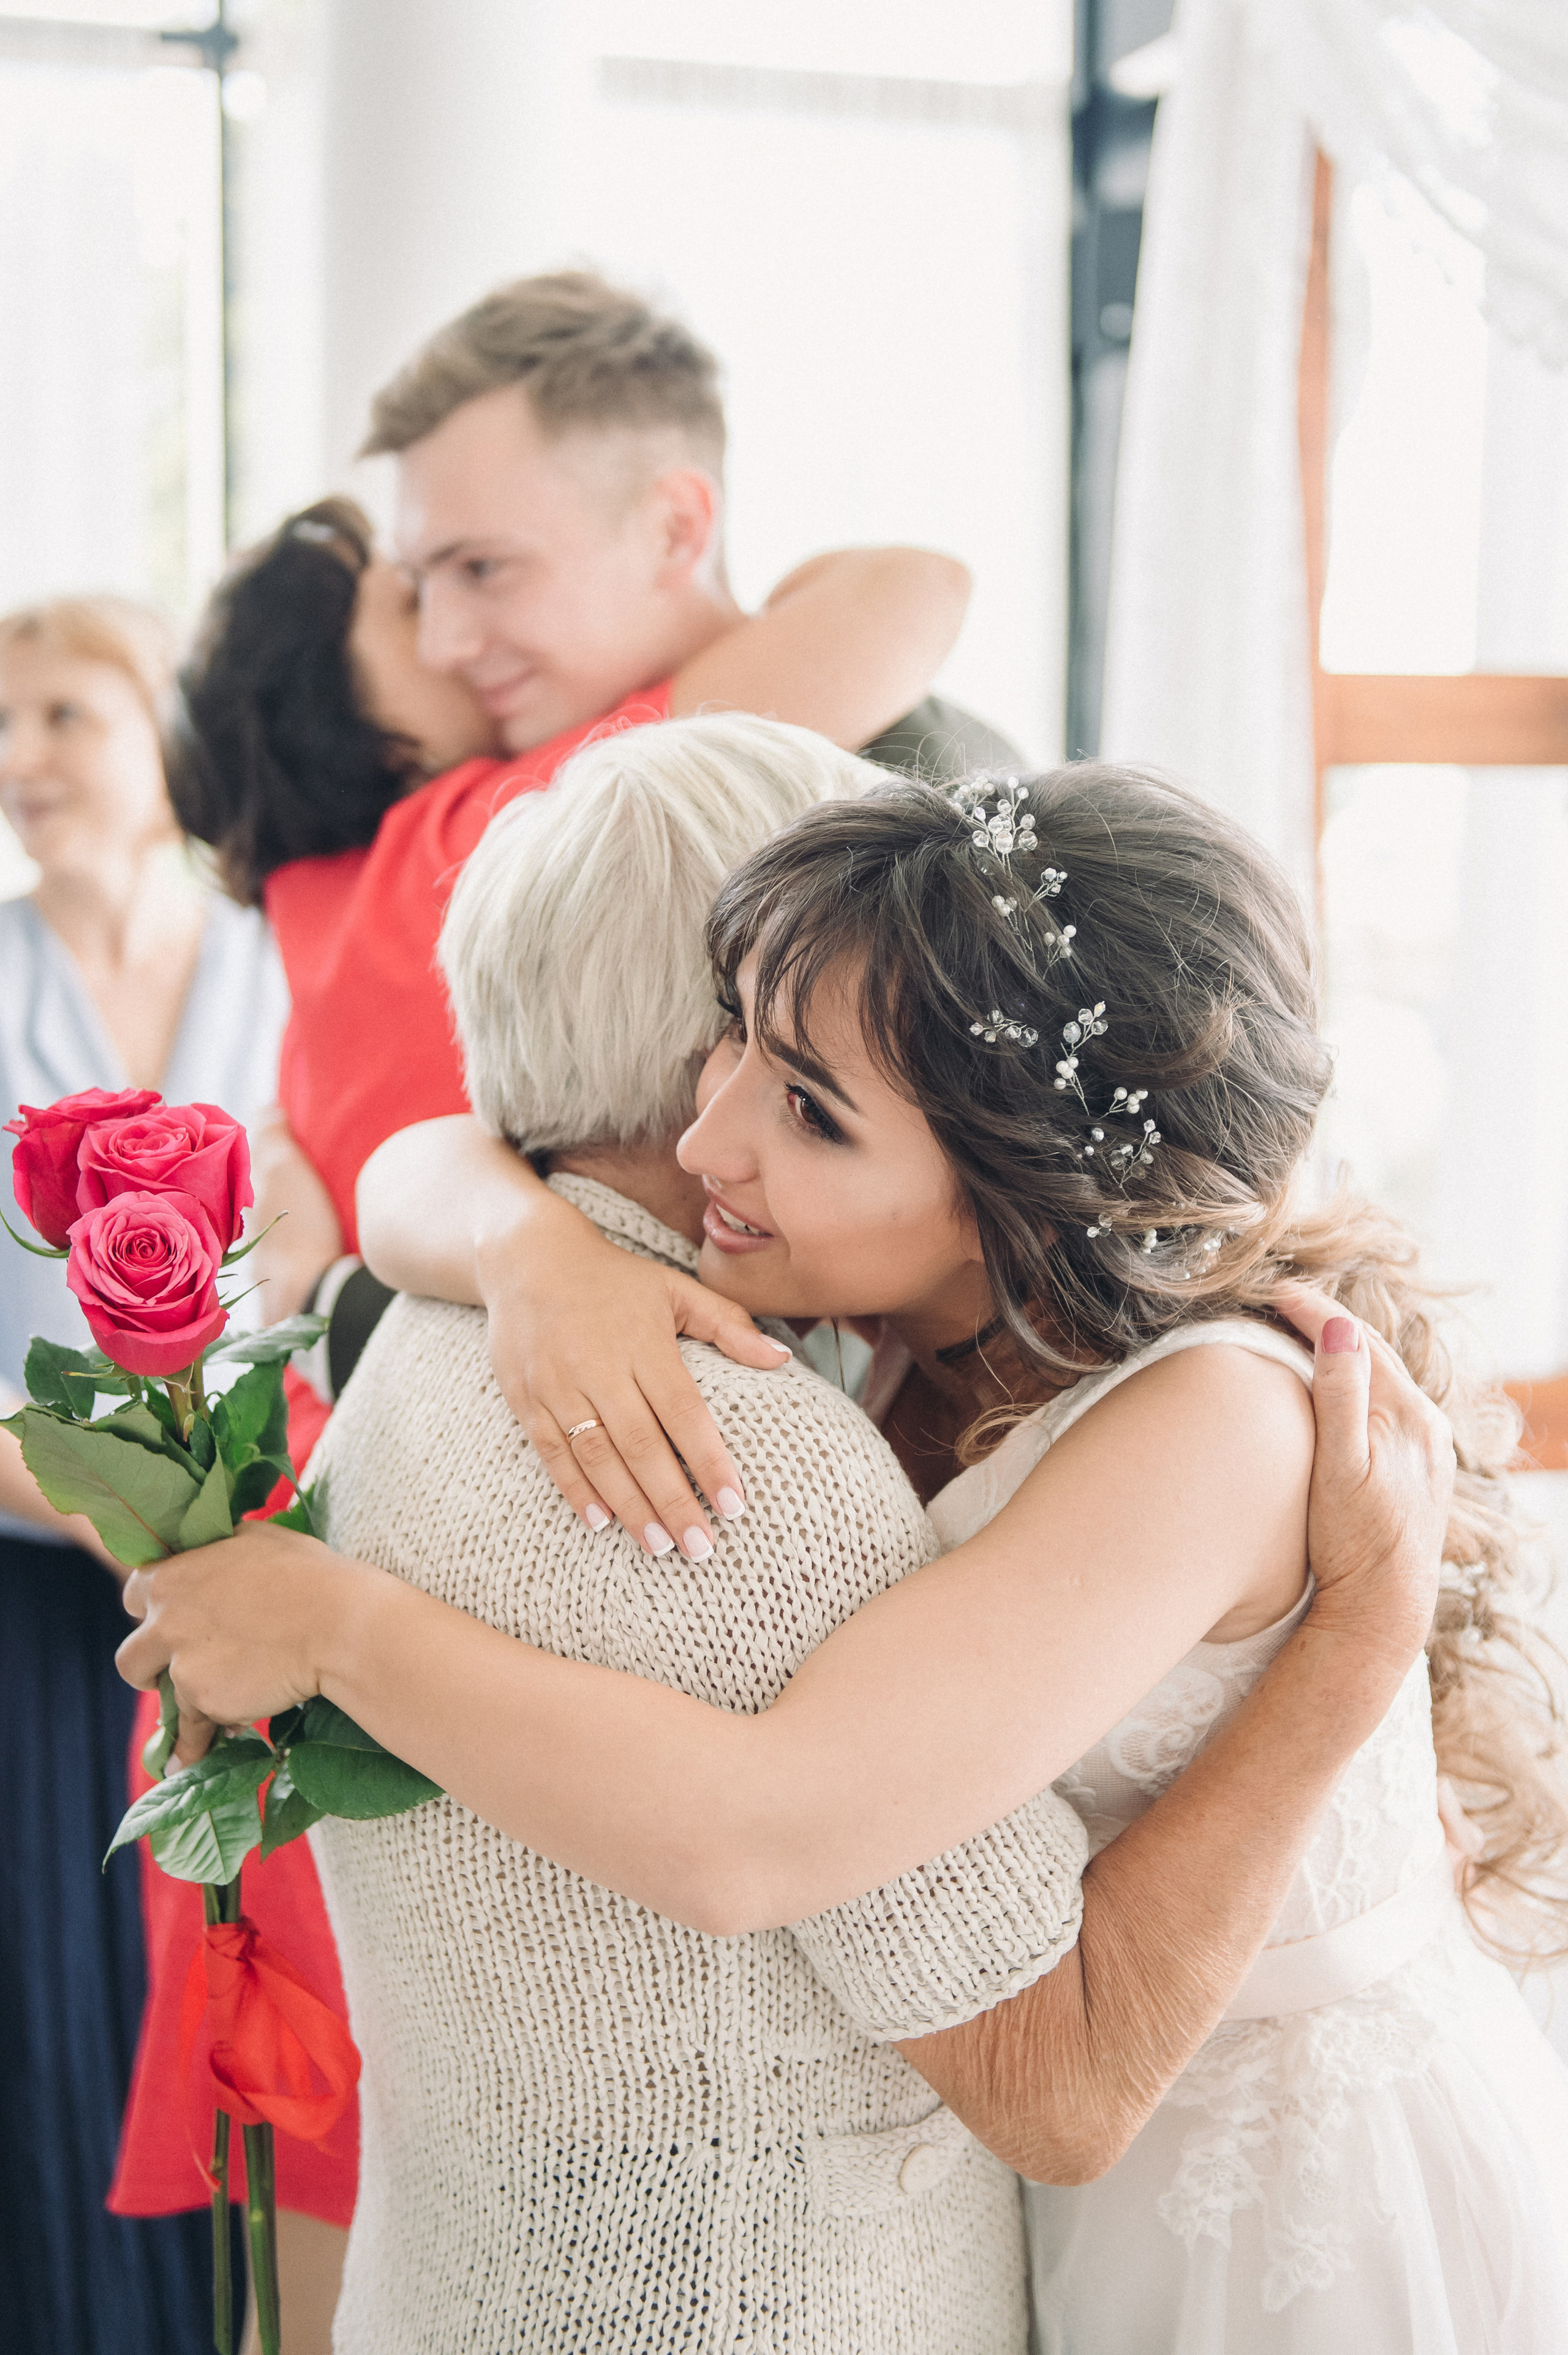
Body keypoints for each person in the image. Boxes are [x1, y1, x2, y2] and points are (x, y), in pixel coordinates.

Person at [122, 718, 1563, 2347]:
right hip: (1082, 2188)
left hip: (1284, 2191)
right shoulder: (900, 1314)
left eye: (808, 1108)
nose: (705, 1137)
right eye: (724, 1039)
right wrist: (533, 1252)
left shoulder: (1212, 1421)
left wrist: (338, 1632)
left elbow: (755, 1830)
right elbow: (411, 1167)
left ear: (1013, 1179)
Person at [123, 270, 989, 2309]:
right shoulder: (537, 823)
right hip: (578, 1543)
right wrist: (528, 1250)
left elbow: (912, 589)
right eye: (409, 598)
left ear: (675, 524)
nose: (447, 637)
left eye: (478, 569)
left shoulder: (394, 875)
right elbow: (906, 582)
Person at [0, 595, 287, 2355]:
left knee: (247, 2033)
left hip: (271, 1605)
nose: (22, 763)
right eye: (4, 726)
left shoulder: (279, 963)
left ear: (161, 734)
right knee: (67, 2034)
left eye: (64, 719)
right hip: (40, 1621)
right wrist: (105, 1506)